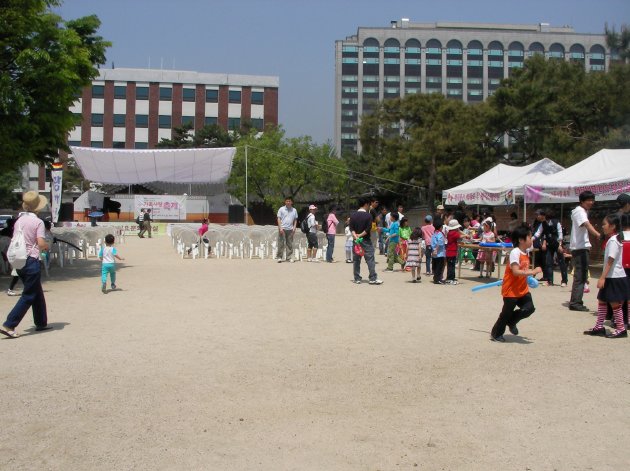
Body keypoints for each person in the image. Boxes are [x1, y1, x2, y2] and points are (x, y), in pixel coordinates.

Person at [0, 191, 51, 339]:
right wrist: (47, 246)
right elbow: (41, 243)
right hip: (31, 259)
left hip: (19, 259)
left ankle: (41, 322)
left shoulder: (19, 220)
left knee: (36, 291)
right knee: (29, 294)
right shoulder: (38, 222)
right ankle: (10, 324)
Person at [490, 226, 543, 342]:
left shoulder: (526, 251)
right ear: (521, 240)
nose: (531, 239)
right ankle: (496, 333)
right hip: (511, 290)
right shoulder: (515, 252)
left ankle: (512, 321)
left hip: (522, 289)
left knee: (529, 308)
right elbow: (516, 271)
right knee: (506, 313)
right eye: (529, 237)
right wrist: (533, 271)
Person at [583, 213, 628, 338]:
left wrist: (602, 277)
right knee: (602, 300)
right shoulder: (614, 239)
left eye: (604, 224)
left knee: (614, 303)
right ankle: (599, 326)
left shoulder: (613, 240)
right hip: (612, 276)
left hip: (614, 276)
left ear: (612, 226)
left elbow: (610, 260)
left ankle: (621, 329)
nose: (602, 226)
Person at [569, 191, 601, 312]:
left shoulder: (581, 211)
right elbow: (587, 225)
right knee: (580, 276)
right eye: (588, 200)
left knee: (581, 275)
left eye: (592, 200)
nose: (591, 202)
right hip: (580, 248)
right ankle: (575, 302)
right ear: (582, 201)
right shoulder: (579, 211)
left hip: (581, 247)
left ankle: (576, 301)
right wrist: (598, 235)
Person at [349, 196, 383, 285]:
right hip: (366, 240)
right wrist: (360, 235)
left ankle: (357, 278)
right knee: (370, 259)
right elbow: (368, 229)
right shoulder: (368, 215)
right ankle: (372, 278)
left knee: (356, 260)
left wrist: (355, 236)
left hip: (356, 241)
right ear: (366, 204)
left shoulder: (353, 215)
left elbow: (351, 228)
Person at [544, 209, 568, 287]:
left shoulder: (556, 223)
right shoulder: (544, 224)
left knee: (561, 262)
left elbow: (560, 234)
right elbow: (541, 233)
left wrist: (560, 245)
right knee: (548, 262)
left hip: (557, 244)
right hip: (549, 245)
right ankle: (550, 280)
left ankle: (564, 280)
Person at [276, 197, 298, 263]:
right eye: (287, 201)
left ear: (292, 202)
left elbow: (295, 220)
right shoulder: (281, 209)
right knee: (281, 243)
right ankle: (279, 257)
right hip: (282, 228)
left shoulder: (294, 210)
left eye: (289, 201)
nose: (288, 202)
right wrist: (280, 228)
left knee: (289, 244)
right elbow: (278, 218)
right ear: (285, 202)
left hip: (290, 229)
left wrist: (294, 228)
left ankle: (289, 257)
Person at [445, 219, 463, 284]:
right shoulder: (454, 233)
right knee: (451, 266)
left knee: (451, 266)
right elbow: (460, 236)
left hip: (449, 252)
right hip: (451, 252)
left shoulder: (450, 233)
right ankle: (450, 279)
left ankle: (451, 278)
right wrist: (463, 233)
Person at [431, 218, 446, 284]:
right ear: (440, 227)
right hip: (439, 253)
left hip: (434, 254)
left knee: (435, 266)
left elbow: (432, 243)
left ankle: (435, 278)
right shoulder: (440, 234)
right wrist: (436, 249)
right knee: (439, 267)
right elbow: (440, 242)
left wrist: (434, 250)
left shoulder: (434, 234)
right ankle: (438, 279)